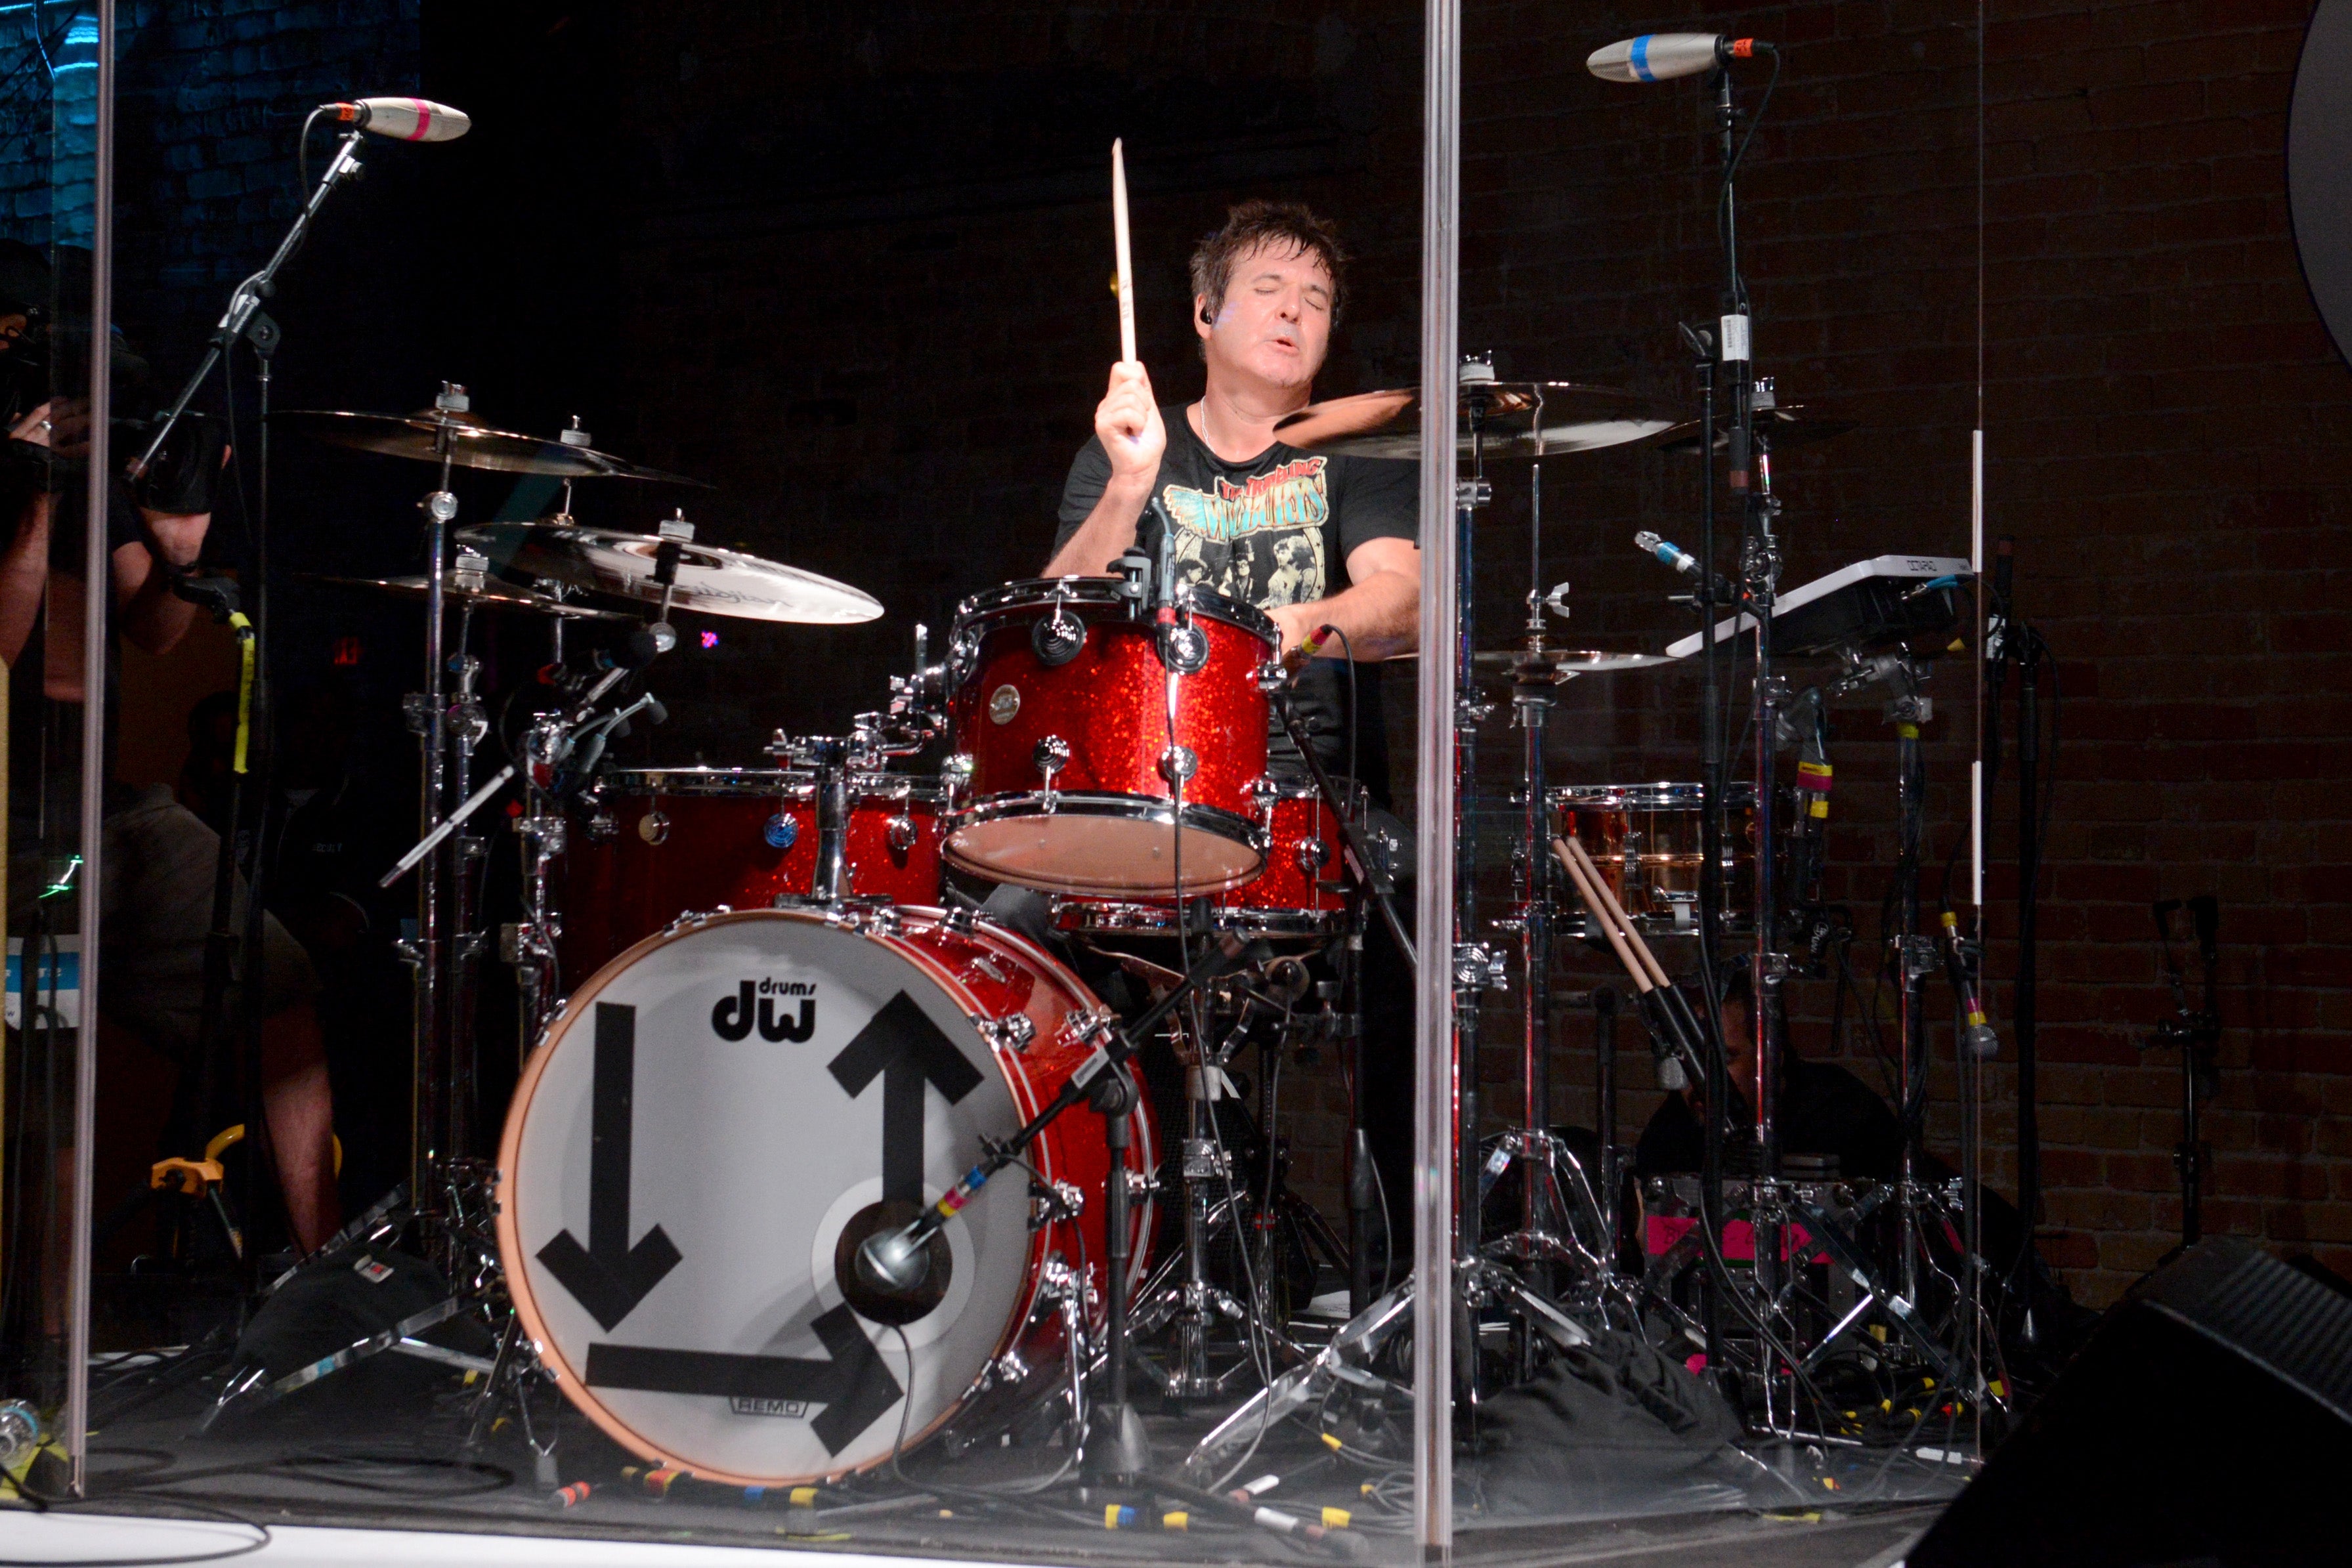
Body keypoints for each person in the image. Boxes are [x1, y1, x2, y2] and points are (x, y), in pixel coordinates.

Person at [1017, 200, 1423, 1258]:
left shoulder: (1357, 454)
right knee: (1009, 917)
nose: (1297, 314)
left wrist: (1298, 625)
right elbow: (1056, 629)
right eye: (1271, 292)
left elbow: (1406, 602)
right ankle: (1082, 1253)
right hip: (1151, 805)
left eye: (1318, 301)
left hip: (1305, 807)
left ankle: (1398, 1276)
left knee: (1418, 927)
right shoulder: (1129, 457)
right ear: (1203, 313)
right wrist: (1132, 483)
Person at [0, 240, 339, 1253]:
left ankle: (321, 1270)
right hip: (10, 823)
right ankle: (44, 1342)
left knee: (278, 989)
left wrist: (176, 548)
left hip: (99, 804)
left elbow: (153, 628)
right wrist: (31, 493)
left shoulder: (79, 469)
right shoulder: (17, 477)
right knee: (45, 1055)